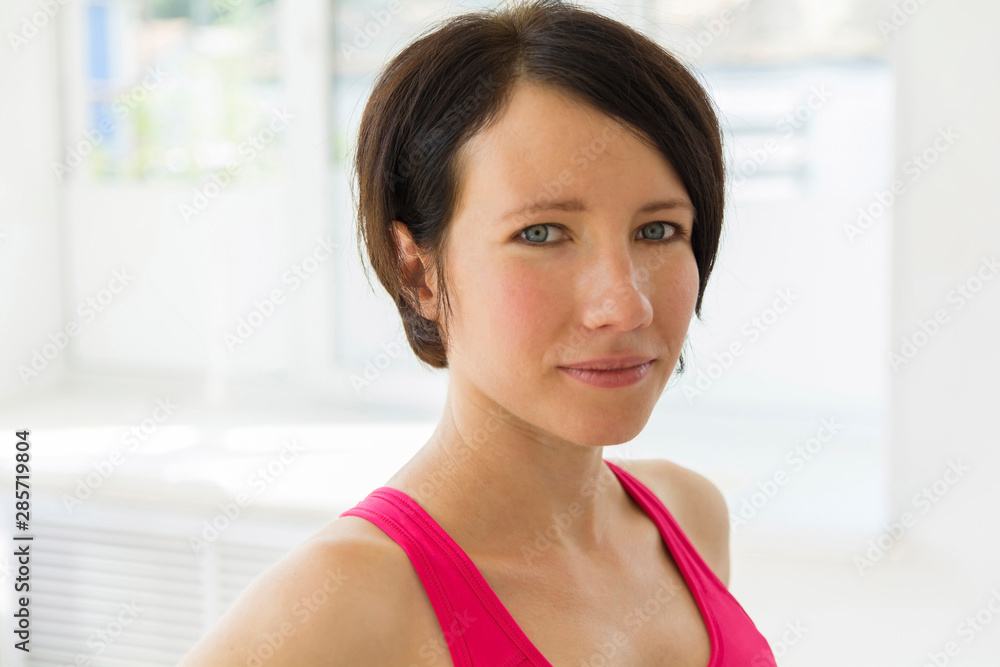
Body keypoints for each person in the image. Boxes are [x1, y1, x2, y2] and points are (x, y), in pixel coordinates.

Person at [179, 0, 776, 664]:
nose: (625, 305)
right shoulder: (348, 599)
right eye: (542, 233)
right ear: (419, 272)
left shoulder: (689, 514)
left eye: (657, 229)